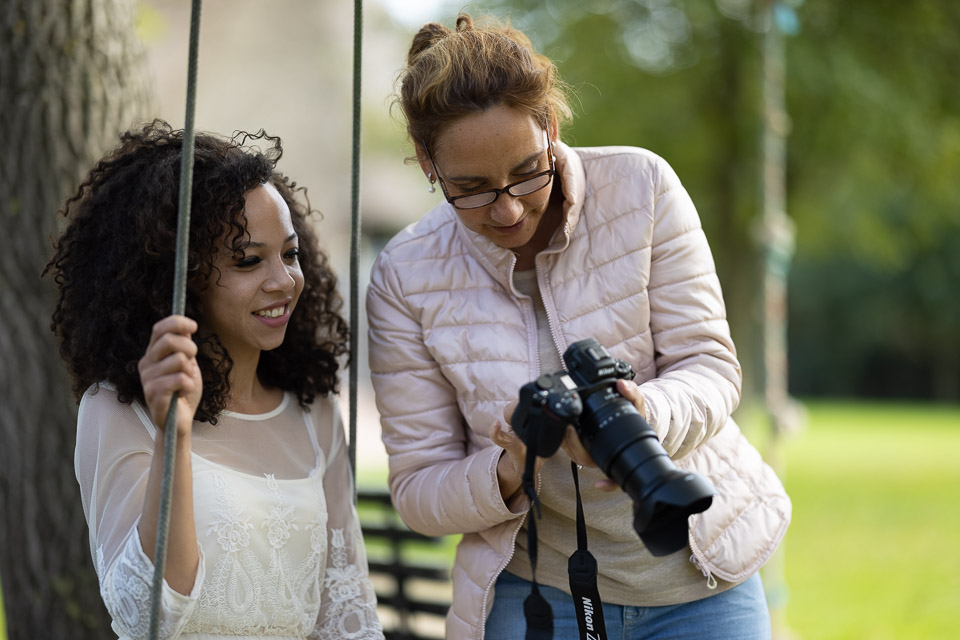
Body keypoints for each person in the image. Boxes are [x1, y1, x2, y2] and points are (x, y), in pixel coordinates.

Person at [366, 14, 791, 640]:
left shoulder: (642, 187)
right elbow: (418, 488)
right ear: (429, 163)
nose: (508, 207)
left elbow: (712, 367)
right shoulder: (405, 274)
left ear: (552, 128)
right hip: (535, 589)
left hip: (703, 581)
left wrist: (643, 411)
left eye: (525, 172)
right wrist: (506, 471)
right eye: (472, 189)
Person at [44, 120, 384, 640]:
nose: (283, 281)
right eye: (249, 260)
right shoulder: (116, 410)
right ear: (177, 276)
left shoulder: (313, 411)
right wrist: (172, 436)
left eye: (290, 254)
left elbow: (348, 615)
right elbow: (148, 617)